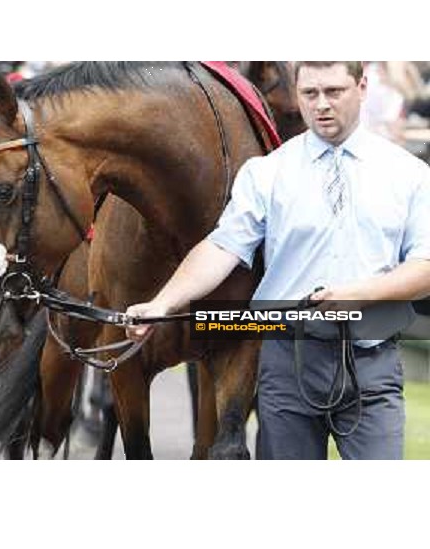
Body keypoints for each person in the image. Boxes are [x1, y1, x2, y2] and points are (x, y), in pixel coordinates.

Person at [125, 61, 430, 460]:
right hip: (286, 364)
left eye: (334, 92)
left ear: (362, 86)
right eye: (309, 94)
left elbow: (425, 266)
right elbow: (222, 247)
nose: (321, 105)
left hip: (370, 364)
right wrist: (163, 302)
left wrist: (361, 294)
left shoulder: (409, 174)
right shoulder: (266, 172)